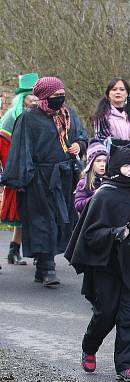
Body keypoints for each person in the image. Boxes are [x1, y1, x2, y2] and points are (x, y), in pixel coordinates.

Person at [65, 146, 130, 382]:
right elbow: (89, 236)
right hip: (106, 267)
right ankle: (89, 347)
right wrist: (113, 233)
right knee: (106, 313)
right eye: (126, 164)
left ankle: (125, 365)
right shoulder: (102, 196)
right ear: (114, 168)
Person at [2, 76, 88, 287]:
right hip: (39, 180)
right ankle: (48, 267)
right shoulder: (29, 119)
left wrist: (79, 145)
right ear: (43, 97)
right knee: (42, 222)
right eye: (54, 96)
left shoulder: (68, 115)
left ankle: (43, 264)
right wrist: (23, 178)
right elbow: (21, 150)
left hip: (64, 178)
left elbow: (81, 136)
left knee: (59, 221)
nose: (60, 99)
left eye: (62, 95)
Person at [0, 72, 39, 266]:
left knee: (28, 214)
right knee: (20, 213)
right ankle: (14, 250)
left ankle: (16, 251)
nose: (34, 98)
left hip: (34, 170)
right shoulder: (10, 119)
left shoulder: (39, 115)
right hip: (18, 171)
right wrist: (13, 173)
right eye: (31, 94)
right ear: (23, 97)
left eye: (36, 94)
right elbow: (5, 149)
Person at [91, 78, 130, 187]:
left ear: (127, 93)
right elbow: (102, 140)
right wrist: (128, 145)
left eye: (122, 89)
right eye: (114, 89)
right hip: (114, 164)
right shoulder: (102, 115)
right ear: (108, 93)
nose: (118, 92)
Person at [73, 140, 108, 213]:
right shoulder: (84, 182)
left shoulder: (112, 179)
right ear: (91, 163)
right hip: (92, 220)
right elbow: (78, 205)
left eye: (105, 161)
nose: (102, 164)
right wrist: (95, 197)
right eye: (98, 161)